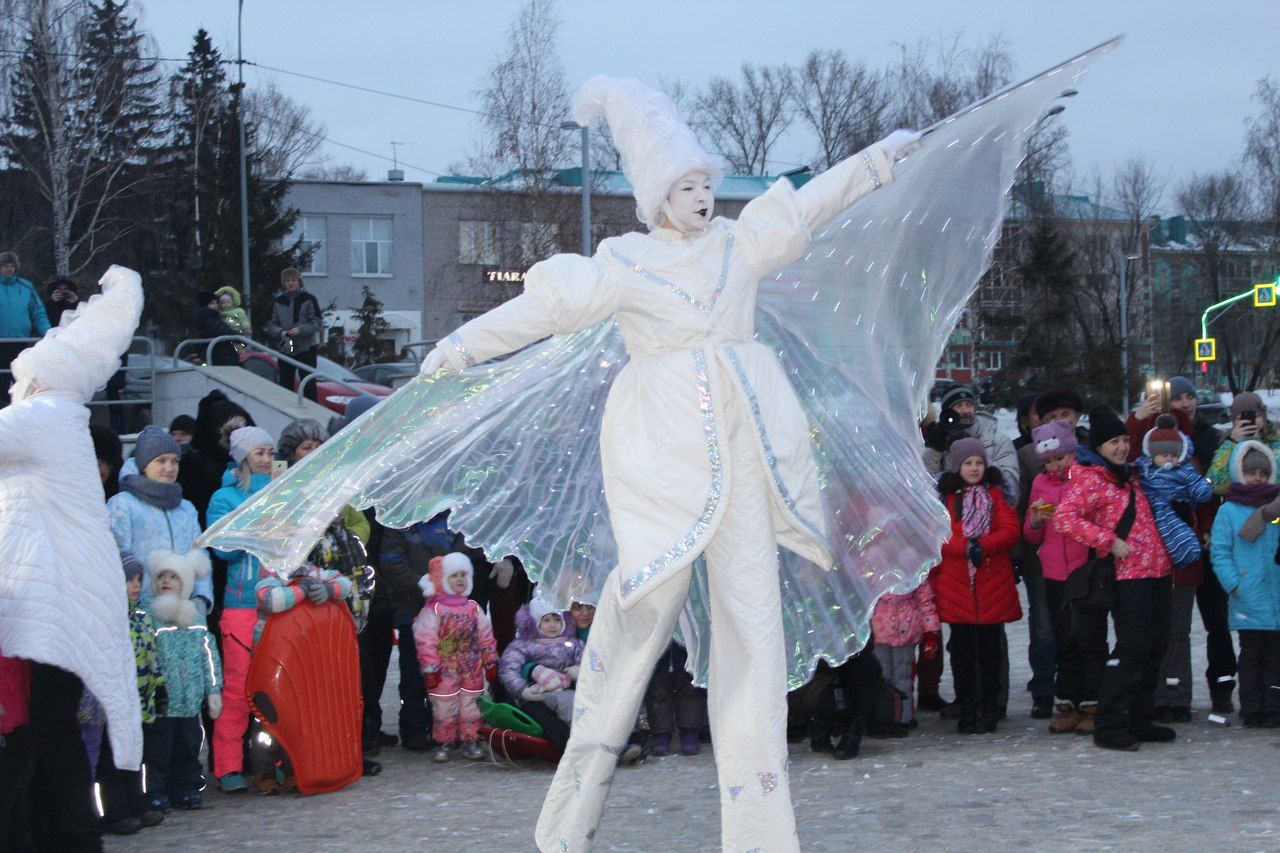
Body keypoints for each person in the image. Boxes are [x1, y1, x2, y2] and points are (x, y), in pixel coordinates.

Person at [0, 266, 142, 851]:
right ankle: (56, 830)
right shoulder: (61, 420)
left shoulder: (46, 417)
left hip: (54, 598)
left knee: (46, 729)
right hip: (57, 594)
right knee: (44, 727)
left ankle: (68, 834)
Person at [1055, 405, 1175, 752]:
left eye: (1124, 440)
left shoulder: (1131, 475)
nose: (1122, 447)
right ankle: (1109, 724)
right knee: (1132, 649)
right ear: (1099, 446)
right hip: (1128, 576)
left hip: (1158, 571)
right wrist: (1109, 541)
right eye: (1113, 442)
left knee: (1155, 648)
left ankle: (1140, 718)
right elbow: (1064, 519)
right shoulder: (1091, 478)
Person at [1131, 379, 1236, 718]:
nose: (1186, 402)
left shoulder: (1194, 463)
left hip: (1187, 552)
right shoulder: (1142, 467)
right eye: (1178, 398)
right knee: (1153, 629)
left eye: (1190, 396)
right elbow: (1126, 463)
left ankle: (1177, 696)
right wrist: (1136, 420)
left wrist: (1203, 527)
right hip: (1148, 554)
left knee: (1181, 628)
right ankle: (1153, 694)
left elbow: (1206, 497)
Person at [931, 438, 1022, 734]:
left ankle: (990, 707)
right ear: (957, 467)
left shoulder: (997, 495)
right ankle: (967, 706)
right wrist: (965, 548)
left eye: (979, 463)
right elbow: (938, 535)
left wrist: (983, 545)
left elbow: (1010, 530)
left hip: (991, 582)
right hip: (957, 584)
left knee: (990, 651)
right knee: (962, 652)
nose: (974, 468)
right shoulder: (946, 499)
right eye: (968, 463)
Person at [205, 425, 276, 792]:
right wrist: (257, 520)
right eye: (259, 452)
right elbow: (222, 549)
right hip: (240, 606)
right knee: (236, 689)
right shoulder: (223, 497)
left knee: (275, 691)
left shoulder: (283, 491)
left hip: (279, 603)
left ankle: (273, 762)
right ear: (243, 456)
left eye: (270, 452)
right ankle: (227, 766)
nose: (266, 459)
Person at [248, 554, 354, 791]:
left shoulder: (311, 571)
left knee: (300, 715)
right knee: (270, 716)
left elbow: (345, 583)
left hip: (301, 657)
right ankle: (264, 771)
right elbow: (270, 599)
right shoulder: (269, 574)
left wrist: (328, 589)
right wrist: (301, 591)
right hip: (271, 660)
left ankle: (293, 768)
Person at [1023, 419, 1095, 733]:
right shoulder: (1040, 484)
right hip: (1053, 571)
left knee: (1087, 638)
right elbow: (1031, 534)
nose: (1054, 465)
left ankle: (1091, 703)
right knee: (1063, 639)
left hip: (1083, 569)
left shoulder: (1087, 477)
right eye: (1048, 460)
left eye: (1060, 458)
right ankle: (1067, 703)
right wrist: (1037, 521)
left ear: (1072, 452)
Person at [379, 512, 468, 750]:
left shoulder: (453, 519)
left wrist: (449, 585)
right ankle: (414, 729)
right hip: (412, 609)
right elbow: (390, 560)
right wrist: (421, 584)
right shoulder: (399, 520)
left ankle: (446, 728)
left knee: (449, 671)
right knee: (414, 672)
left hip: (450, 610)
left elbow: (463, 555)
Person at [144, 550, 222, 810]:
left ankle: (187, 787)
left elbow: (209, 655)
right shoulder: (149, 618)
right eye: (162, 576)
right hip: (162, 701)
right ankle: (155, 790)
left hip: (189, 701)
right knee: (158, 749)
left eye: (174, 577)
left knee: (189, 747)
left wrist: (213, 689)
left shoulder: (196, 620)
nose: (166, 581)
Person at [1210, 441, 1280, 728]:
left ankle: (1274, 706)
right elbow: (1220, 551)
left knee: (1276, 656)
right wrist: (1233, 583)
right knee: (1251, 655)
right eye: (1252, 472)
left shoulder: (1276, 507)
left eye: (1263, 473)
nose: (1258, 478)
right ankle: (1251, 707)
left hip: (1275, 593)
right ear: (1240, 473)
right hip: (1247, 594)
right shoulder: (1228, 511)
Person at [97, 551, 167, 835]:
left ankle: (138, 803)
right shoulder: (108, 620)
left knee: (135, 756)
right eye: (129, 580)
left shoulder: (142, 618)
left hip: (141, 700)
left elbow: (154, 656)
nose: (135, 585)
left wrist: (160, 687)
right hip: (115, 701)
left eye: (138, 579)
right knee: (112, 759)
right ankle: (116, 812)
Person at [108, 425, 211, 615]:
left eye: (175, 461)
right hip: (139, 613)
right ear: (144, 465)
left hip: (182, 612)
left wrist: (202, 599)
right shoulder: (123, 505)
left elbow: (200, 555)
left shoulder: (185, 508)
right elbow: (117, 560)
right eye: (161, 461)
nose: (169, 468)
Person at [412, 552, 498, 763]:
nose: (460, 579)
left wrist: (490, 659)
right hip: (444, 669)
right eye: (454, 575)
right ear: (443, 580)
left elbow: (486, 635)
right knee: (444, 706)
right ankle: (444, 742)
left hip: (471, 666)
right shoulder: (434, 610)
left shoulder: (473, 608)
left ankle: (470, 740)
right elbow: (426, 641)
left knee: (471, 705)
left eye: (464, 575)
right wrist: (430, 668)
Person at [499, 601, 584, 748]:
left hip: (567, 692)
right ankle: (567, 745)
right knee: (543, 715)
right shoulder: (524, 644)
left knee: (581, 710)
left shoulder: (573, 643)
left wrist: (578, 669)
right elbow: (508, 667)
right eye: (546, 620)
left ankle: (595, 743)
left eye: (557, 619)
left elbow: (587, 659)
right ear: (533, 622)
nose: (553, 625)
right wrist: (522, 690)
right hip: (536, 694)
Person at [1133, 414, 1213, 571]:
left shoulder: (1184, 469)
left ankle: (1182, 556)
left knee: (1178, 535)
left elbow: (1195, 482)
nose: (1169, 459)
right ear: (1153, 455)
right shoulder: (1144, 467)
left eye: (1174, 456)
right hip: (1151, 510)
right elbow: (1132, 476)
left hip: (1171, 507)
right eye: (1164, 455)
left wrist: (1203, 489)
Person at [923, 384, 1020, 505]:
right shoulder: (942, 439)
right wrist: (933, 449)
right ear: (947, 412)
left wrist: (973, 452)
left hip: (992, 514)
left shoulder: (998, 440)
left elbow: (1011, 489)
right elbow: (926, 488)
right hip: (953, 516)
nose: (965, 411)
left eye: (969, 405)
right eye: (958, 406)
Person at [871, 579, 939, 732]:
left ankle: (903, 718)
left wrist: (930, 634)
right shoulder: (870, 568)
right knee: (881, 677)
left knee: (902, 676)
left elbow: (926, 602)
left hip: (906, 630)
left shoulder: (914, 568)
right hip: (879, 632)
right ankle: (883, 717)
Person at [0, 250, 51, 405]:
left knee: (22, 383)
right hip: (0, 342)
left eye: (12, 265)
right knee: (1, 383)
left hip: (20, 342)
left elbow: (38, 312)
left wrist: (49, 333)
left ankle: (19, 418)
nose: (9, 269)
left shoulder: (25, 286)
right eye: (4, 265)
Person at [265, 268, 322, 403]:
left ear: (299, 281)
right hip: (286, 348)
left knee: (308, 385)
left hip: (306, 347)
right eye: (287, 281)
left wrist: (300, 330)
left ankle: (312, 413)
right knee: (285, 384)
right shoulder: (278, 302)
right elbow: (270, 324)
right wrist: (280, 332)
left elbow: (317, 322)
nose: (291, 283)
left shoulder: (309, 299)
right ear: (283, 283)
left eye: (293, 280)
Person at [644, 641, 707, 756]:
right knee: (658, 682)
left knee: (689, 682)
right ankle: (661, 733)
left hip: (687, 634)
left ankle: (690, 731)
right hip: (658, 632)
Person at [192, 291, 240, 367]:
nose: (215, 305)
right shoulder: (211, 320)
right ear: (205, 305)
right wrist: (240, 338)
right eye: (212, 303)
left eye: (216, 303)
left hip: (215, 356)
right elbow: (224, 331)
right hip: (221, 357)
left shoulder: (203, 318)